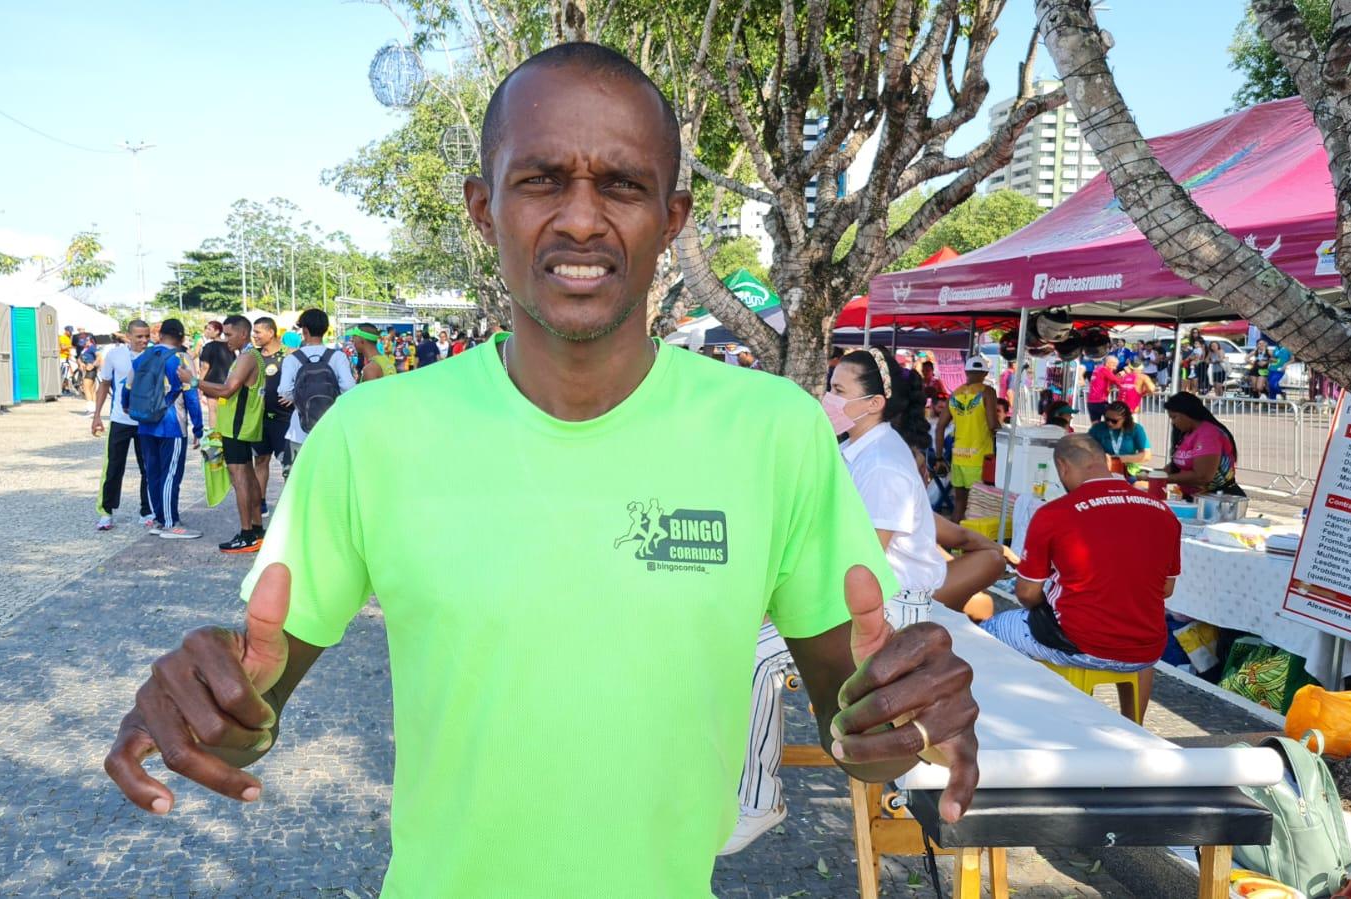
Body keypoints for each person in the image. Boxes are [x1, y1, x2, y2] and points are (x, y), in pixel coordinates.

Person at [104, 43, 979, 897]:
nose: (582, 218)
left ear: (671, 220)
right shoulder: (373, 434)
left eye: (623, 183)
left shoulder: (772, 430)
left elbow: (856, 727)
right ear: (484, 208)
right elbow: (253, 710)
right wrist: (206, 705)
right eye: (541, 179)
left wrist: (896, 714)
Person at [725, 345, 1004, 855]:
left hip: (888, 608)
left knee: (754, 659)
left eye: (838, 391)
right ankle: (738, 778)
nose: (827, 399)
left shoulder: (881, 464)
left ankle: (759, 798)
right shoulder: (858, 451)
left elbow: (858, 561)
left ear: (873, 403)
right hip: (866, 596)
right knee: (738, 642)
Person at [981, 434, 1179, 722]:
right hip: (1146, 649)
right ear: (1107, 462)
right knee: (1135, 633)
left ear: (1062, 466)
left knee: (989, 631)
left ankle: (1013, 722)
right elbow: (1166, 588)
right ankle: (1134, 724)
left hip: (1082, 644)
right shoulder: (1163, 512)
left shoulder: (1054, 514)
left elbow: (1026, 593)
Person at [196, 315, 266, 553]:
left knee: (240, 479)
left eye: (230, 334)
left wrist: (195, 382)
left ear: (243, 334)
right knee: (247, 475)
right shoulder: (248, 356)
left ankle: (247, 533)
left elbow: (227, 390)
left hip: (238, 427)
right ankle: (256, 529)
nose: (226, 339)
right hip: (240, 426)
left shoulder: (247, 357)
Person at [133, 319, 204, 539]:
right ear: (182, 338)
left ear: (160, 335)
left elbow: (127, 388)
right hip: (171, 424)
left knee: (153, 472)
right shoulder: (181, 359)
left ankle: (158, 518)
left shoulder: (143, 356)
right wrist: (198, 428)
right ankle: (170, 523)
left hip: (145, 423)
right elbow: (191, 395)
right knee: (171, 474)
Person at [91, 320, 154, 531]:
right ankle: (106, 512)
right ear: (129, 337)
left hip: (146, 421)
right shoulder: (115, 355)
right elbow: (105, 385)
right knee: (113, 466)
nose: (144, 340)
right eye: (139, 336)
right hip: (120, 420)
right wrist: (97, 415)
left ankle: (147, 510)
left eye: (147, 336)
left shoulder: (154, 355)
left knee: (148, 467)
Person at [280, 308, 356, 465]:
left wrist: (298, 397)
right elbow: (349, 387)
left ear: (305, 330)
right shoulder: (338, 356)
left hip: (300, 429)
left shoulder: (292, 359)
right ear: (325, 330)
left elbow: (283, 390)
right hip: (332, 425)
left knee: (300, 478)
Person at [934, 355, 998, 522]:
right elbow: (992, 425)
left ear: (966, 372)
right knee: (977, 507)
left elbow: (940, 427)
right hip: (979, 459)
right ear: (985, 373)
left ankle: (954, 546)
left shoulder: (954, 394)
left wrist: (939, 457)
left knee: (960, 504)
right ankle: (970, 545)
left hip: (959, 457)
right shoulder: (987, 392)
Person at [1164, 392, 1245, 497]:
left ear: (1187, 413)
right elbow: (1179, 463)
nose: (1173, 423)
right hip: (1194, 497)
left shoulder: (1208, 434)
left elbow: (1202, 476)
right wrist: (1152, 475)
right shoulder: (1186, 433)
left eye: (1174, 417)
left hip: (1217, 499)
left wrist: (1162, 479)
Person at [249, 317, 291, 500]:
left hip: (284, 419)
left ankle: (292, 506)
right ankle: (260, 503)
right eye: (253, 331)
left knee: (288, 465)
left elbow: (303, 381)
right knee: (260, 460)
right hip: (259, 419)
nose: (254, 335)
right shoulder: (252, 356)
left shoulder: (290, 355)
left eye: (258, 332)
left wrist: (295, 396)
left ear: (271, 332)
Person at [1088, 401, 1151, 480]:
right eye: (1107, 419)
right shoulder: (1097, 428)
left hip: (1128, 473)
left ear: (1125, 419)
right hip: (1104, 472)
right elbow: (1086, 449)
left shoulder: (1136, 429)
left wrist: (1119, 459)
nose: (1109, 423)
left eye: (1114, 421)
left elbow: (1146, 455)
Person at [197, 320, 234, 433]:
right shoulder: (229, 345)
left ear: (217, 331)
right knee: (224, 410)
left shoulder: (208, 346)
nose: (206, 331)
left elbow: (205, 367)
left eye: (209, 329)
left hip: (211, 383)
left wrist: (200, 385)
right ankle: (225, 433)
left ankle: (215, 438)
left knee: (213, 410)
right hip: (226, 383)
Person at [1086, 354, 1121, 424]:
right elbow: (1117, 381)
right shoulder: (1104, 370)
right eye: (1114, 365)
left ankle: (1096, 434)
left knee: (1095, 425)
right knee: (1113, 422)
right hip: (1100, 401)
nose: (1115, 368)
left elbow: (1104, 381)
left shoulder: (1098, 369)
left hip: (1091, 402)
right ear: (1108, 363)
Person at [58, 325, 75, 394]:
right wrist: (71, 346)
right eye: (69, 331)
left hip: (67, 357)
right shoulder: (62, 337)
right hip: (62, 358)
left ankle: (66, 389)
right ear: (66, 331)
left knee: (67, 375)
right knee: (64, 374)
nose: (71, 333)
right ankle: (62, 389)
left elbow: (68, 349)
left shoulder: (68, 338)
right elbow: (62, 347)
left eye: (71, 331)